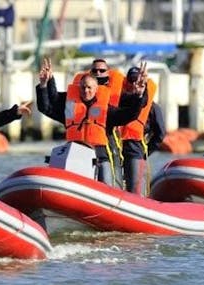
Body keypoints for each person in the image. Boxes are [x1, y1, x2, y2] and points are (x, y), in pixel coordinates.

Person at [36, 58, 145, 186]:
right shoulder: (71, 109)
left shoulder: (106, 110)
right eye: (83, 87)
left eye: (89, 88)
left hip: (100, 158)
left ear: (96, 89)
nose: (86, 91)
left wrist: (138, 96)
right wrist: (44, 84)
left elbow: (129, 115)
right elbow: (47, 106)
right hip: (75, 158)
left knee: (109, 181)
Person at [72, 58, 127, 189]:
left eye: (102, 70)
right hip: (84, 146)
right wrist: (46, 85)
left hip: (108, 142)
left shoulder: (119, 93)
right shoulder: (81, 93)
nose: (98, 73)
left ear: (108, 72)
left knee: (112, 175)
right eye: (95, 70)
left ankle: (118, 193)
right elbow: (53, 105)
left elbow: (129, 112)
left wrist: (139, 95)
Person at [119, 64, 166, 196]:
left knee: (135, 191)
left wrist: (146, 152)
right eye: (131, 81)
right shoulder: (118, 100)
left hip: (135, 149)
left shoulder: (152, 107)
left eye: (137, 80)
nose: (134, 84)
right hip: (114, 149)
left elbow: (160, 133)